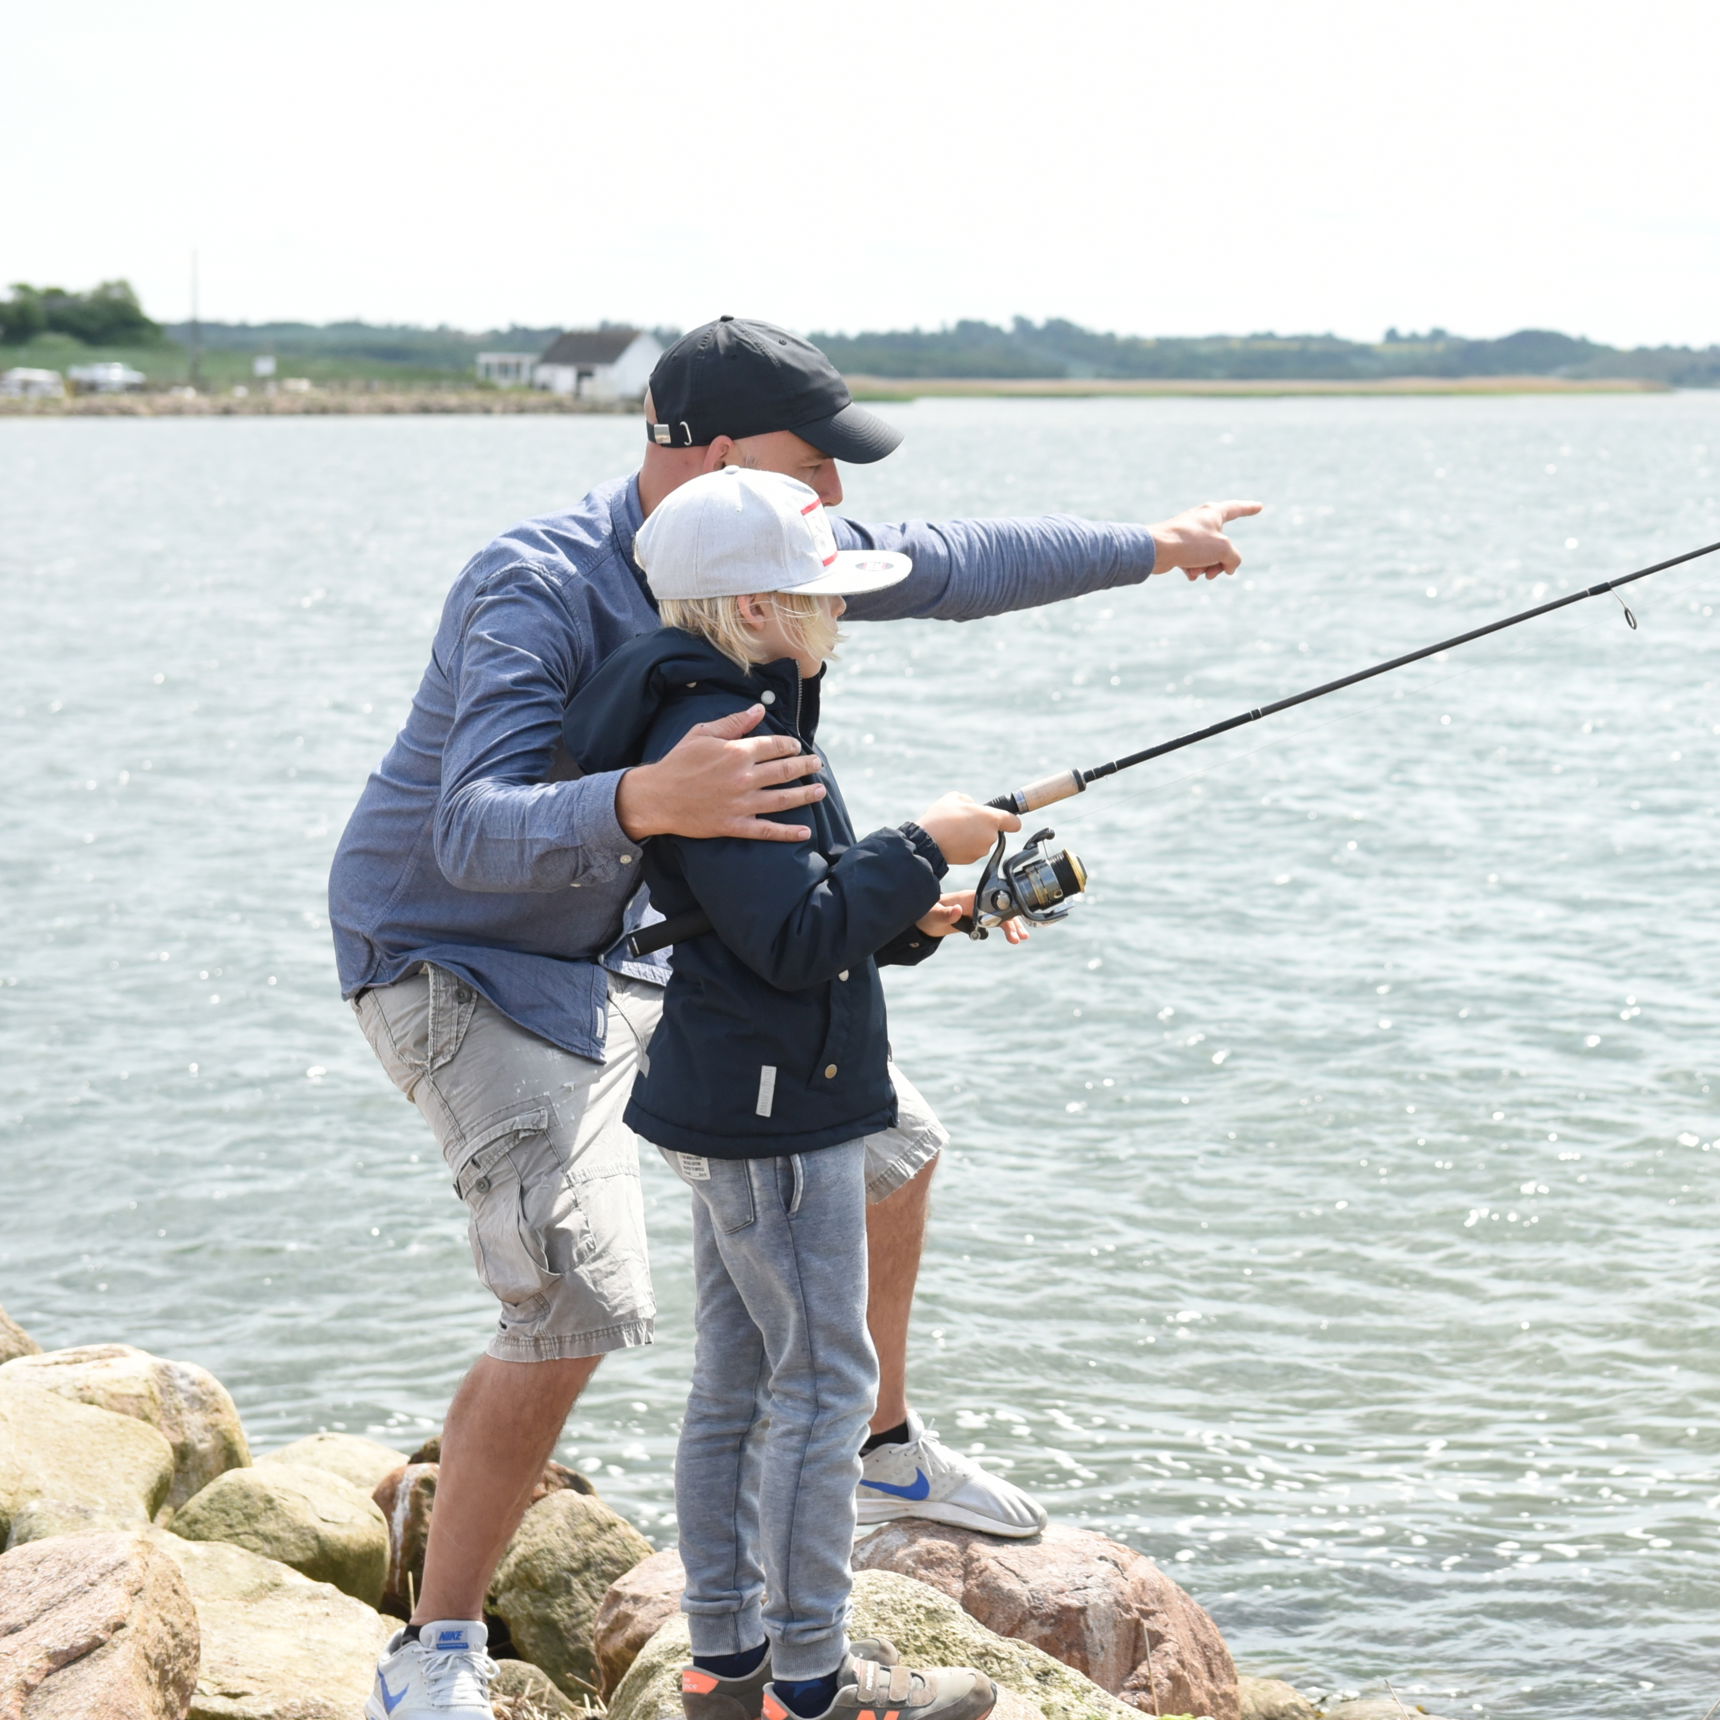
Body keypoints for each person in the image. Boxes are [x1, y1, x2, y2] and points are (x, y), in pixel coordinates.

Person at [335, 314, 1259, 1720]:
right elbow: (468, 829)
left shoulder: (760, 548)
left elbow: (949, 563)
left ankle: (880, 1451)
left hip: (658, 934)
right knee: (578, 1294)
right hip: (465, 958)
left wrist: (1153, 544)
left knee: (896, 1146)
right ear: (704, 455)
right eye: (808, 462)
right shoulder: (542, 581)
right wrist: (650, 799)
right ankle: (440, 1648)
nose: (832, 500)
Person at [564, 463, 1012, 1720]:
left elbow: (779, 916)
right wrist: (925, 841)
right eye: (819, 592)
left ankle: (728, 1666)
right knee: (820, 1391)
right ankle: (814, 1685)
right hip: (773, 1110)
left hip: (734, 1089)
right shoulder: (739, 738)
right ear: (753, 611)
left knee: (735, 1387)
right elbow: (789, 941)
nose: (838, 614)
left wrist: (910, 909)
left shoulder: (721, 712)